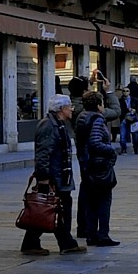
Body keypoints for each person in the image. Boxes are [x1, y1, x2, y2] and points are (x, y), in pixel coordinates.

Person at [23, 95, 84, 255]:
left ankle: (65, 242)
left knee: (56, 208)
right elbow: (43, 152)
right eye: (69, 106)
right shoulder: (49, 125)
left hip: (60, 176)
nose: (72, 109)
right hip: (53, 177)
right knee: (47, 208)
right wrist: (43, 177)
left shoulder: (59, 125)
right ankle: (35, 243)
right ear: (61, 109)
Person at [76, 91, 120, 246]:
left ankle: (91, 233)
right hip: (99, 164)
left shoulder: (82, 117)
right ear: (99, 105)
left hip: (86, 163)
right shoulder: (97, 119)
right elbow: (95, 141)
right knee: (104, 200)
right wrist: (111, 151)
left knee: (91, 200)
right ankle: (102, 235)